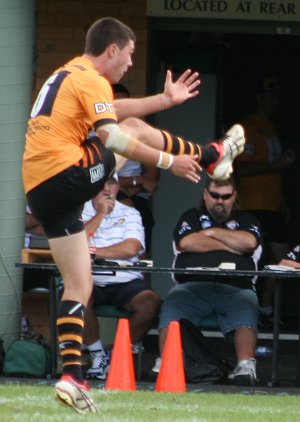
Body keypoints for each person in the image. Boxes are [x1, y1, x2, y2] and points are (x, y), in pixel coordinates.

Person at [22, 17, 245, 413]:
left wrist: (164, 100)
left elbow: (115, 108)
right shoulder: (91, 77)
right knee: (136, 131)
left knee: (78, 285)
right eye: (129, 55)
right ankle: (211, 156)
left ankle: (72, 376)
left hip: (40, 190)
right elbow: (117, 136)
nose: (129, 63)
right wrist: (170, 160)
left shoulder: (70, 73)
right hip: (65, 173)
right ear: (112, 49)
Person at [153, 176, 262, 386]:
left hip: (236, 288)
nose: (219, 201)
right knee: (173, 301)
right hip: (192, 288)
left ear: (234, 197)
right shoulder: (192, 216)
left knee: (248, 302)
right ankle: (166, 360)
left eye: (226, 197)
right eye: (214, 196)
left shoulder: (247, 219)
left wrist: (211, 233)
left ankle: (245, 365)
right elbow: (187, 242)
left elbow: (248, 242)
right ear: (205, 195)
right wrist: (230, 245)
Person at [81, 174, 161, 379]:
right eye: (101, 185)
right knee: (76, 297)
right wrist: (100, 214)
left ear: (118, 187)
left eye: (112, 184)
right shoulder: (79, 210)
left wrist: (93, 253)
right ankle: (97, 355)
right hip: (91, 278)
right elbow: (76, 245)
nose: (107, 189)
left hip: (126, 279)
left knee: (151, 302)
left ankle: (116, 355)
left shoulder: (131, 212)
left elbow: (131, 248)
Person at [235, 76, 295, 327]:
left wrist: (282, 201)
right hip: (252, 202)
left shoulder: (271, 127)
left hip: (272, 204)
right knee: (253, 257)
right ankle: (249, 309)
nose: (274, 100)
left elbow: (274, 174)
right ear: (258, 97)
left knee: (283, 257)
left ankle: (265, 306)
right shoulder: (248, 127)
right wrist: (277, 165)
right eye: (268, 94)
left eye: (276, 95)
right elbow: (240, 169)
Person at [112, 83, 160, 257]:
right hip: (100, 194)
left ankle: (137, 277)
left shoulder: (140, 134)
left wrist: (131, 187)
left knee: (143, 220)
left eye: (125, 105)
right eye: (116, 105)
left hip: (135, 195)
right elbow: (96, 175)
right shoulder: (93, 134)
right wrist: (136, 181)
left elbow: (152, 179)